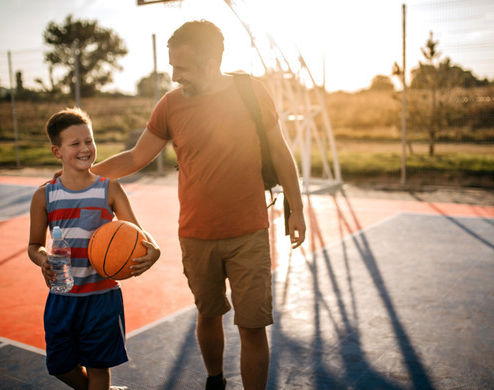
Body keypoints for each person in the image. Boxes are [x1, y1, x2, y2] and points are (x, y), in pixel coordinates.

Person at [90, 20, 306, 390]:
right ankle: (215, 380)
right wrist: (83, 175)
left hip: (249, 232)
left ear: (211, 62)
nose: (175, 76)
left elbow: (280, 151)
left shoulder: (251, 92)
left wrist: (296, 208)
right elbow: (136, 157)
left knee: (252, 325)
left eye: (183, 68)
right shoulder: (170, 105)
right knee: (208, 314)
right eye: (173, 67)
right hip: (196, 235)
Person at [28, 107, 161, 389]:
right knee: (61, 366)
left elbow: (136, 232)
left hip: (102, 297)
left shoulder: (110, 189)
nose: (85, 148)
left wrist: (155, 249)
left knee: (99, 369)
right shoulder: (44, 194)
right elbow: (34, 245)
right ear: (57, 152)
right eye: (75, 143)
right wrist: (42, 260)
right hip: (62, 296)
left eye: (89, 141)